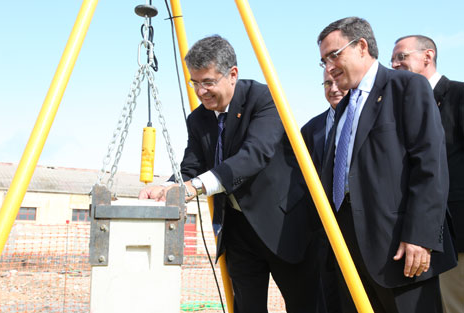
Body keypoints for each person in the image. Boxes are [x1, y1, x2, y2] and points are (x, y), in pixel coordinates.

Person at [139, 35, 322, 313]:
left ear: (232, 74)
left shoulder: (264, 98)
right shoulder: (198, 119)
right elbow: (191, 166)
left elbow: (254, 155)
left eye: (208, 82)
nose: (201, 92)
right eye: (195, 83)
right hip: (237, 231)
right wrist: (167, 186)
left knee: (305, 305)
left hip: (284, 226)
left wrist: (195, 187)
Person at [316, 17, 457, 313]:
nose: (329, 67)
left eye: (333, 55)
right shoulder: (342, 109)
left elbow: (430, 166)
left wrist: (420, 235)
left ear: (362, 46)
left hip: (401, 251)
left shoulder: (407, 87)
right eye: (323, 61)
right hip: (348, 251)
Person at [392, 34, 464, 313]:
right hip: (411, 241)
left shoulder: (458, 95)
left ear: (428, 56)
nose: (394, 65)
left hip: (457, 236)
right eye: (391, 60)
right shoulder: (396, 108)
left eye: (401, 57)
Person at [301, 69, 347, 313]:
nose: (333, 88)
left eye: (338, 81)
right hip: (321, 235)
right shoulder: (310, 129)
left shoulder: (367, 120)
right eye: (327, 83)